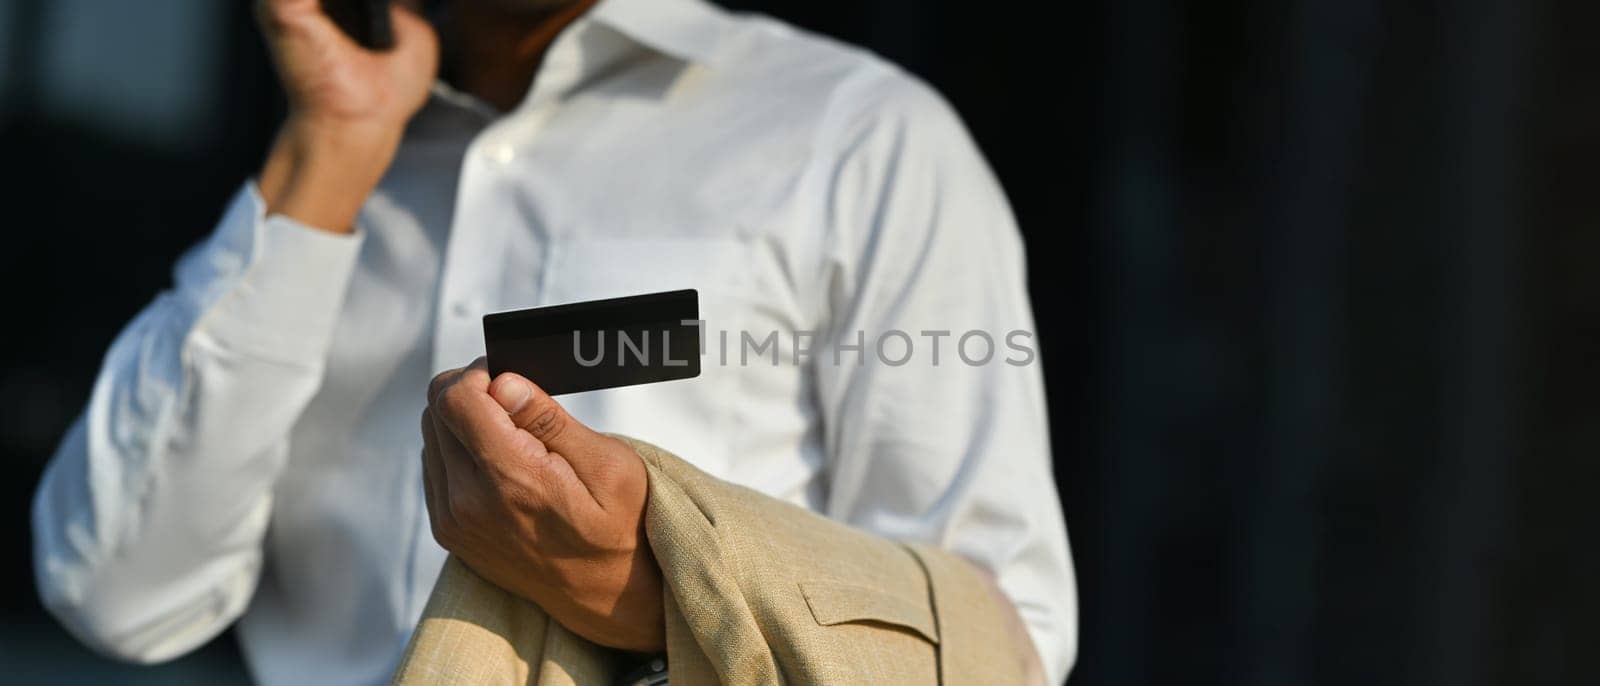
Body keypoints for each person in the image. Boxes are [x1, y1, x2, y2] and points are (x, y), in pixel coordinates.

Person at [31, 0, 1077, 683]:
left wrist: (659, 594)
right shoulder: (334, 164)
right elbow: (120, 589)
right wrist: (328, 151)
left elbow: (994, 636)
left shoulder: (862, 139)